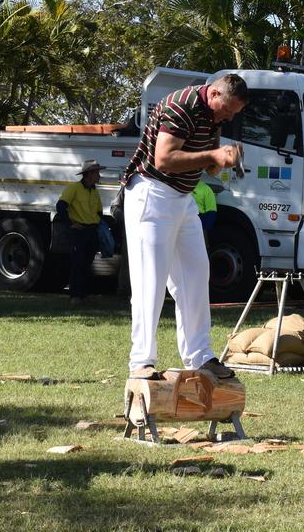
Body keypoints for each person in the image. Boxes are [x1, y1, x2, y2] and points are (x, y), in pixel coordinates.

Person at [121, 73, 248, 381]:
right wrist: (213, 154)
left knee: (195, 274)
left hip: (182, 196)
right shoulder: (182, 106)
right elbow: (164, 159)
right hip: (152, 192)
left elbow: (207, 166)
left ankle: (201, 357)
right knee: (150, 279)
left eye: (234, 113)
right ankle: (141, 361)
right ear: (215, 94)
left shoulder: (213, 114)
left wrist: (225, 160)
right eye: (228, 110)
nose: (229, 117)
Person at [56, 160, 106, 304]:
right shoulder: (74, 188)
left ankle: (83, 295)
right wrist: (71, 224)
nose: (99, 176)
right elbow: (60, 206)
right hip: (79, 232)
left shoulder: (94, 190)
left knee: (87, 264)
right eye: (97, 172)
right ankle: (74, 296)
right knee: (77, 264)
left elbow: (99, 212)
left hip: (91, 232)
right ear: (89, 174)